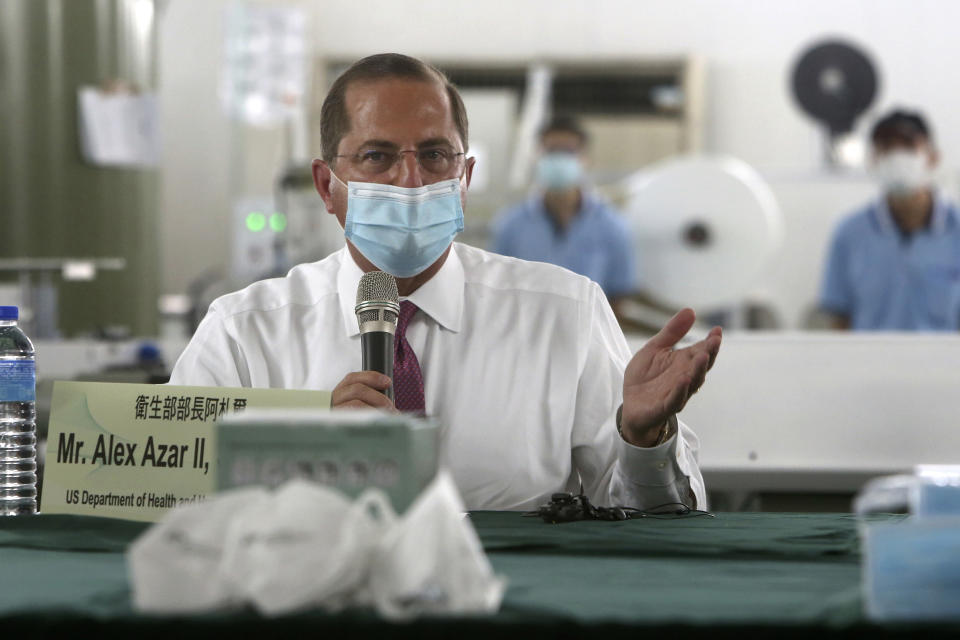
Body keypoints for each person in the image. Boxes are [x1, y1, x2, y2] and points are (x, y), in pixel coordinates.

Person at [169, 53, 722, 511]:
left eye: (434, 155)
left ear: (465, 178)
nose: (410, 181)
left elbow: (662, 520)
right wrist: (299, 456)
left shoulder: (564, 313)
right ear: (325, 185)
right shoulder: (245, 332)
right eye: (377, 156)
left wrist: (645, 441)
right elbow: (171, 499)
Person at [820, 109, 960, 331]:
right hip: (869, 363)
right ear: (873, 160)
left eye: (907, 147)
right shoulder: (849, 234)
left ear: (933, 157)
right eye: (886, 148)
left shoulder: (956, 229)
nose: (897, 157)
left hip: (945, 364)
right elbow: (839, 320)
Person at [490, 114, 636, 319]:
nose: (558, 159)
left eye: (567, 152)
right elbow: (497, 291)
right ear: (538, 157)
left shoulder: (612, 226)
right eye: (551, 151)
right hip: (527, 338)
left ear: (585, 159)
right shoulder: (511, 225)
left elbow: (619, 298)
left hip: (590, 340)